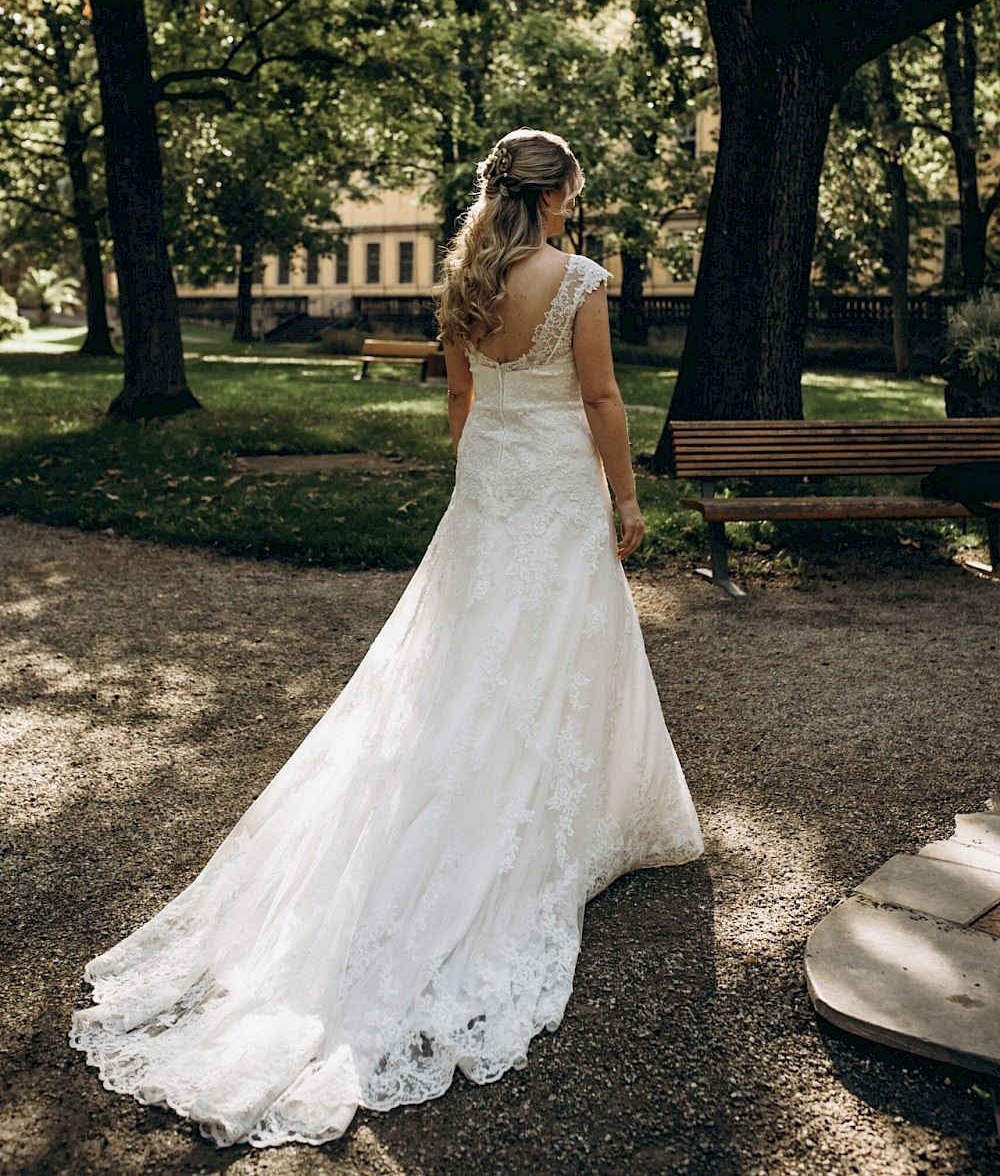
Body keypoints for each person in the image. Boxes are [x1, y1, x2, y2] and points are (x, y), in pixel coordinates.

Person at [70, 128, 703, 1149]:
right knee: (561, 644)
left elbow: (458, 400)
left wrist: (482, 470)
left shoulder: (464, 275)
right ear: (559, 196)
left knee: (470, 652)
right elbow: (599, 397)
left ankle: (503, 797)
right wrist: (623, 495)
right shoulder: (577, 277)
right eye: (573, 193)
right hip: (550, 478)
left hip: (494, 479)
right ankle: (565, 821)